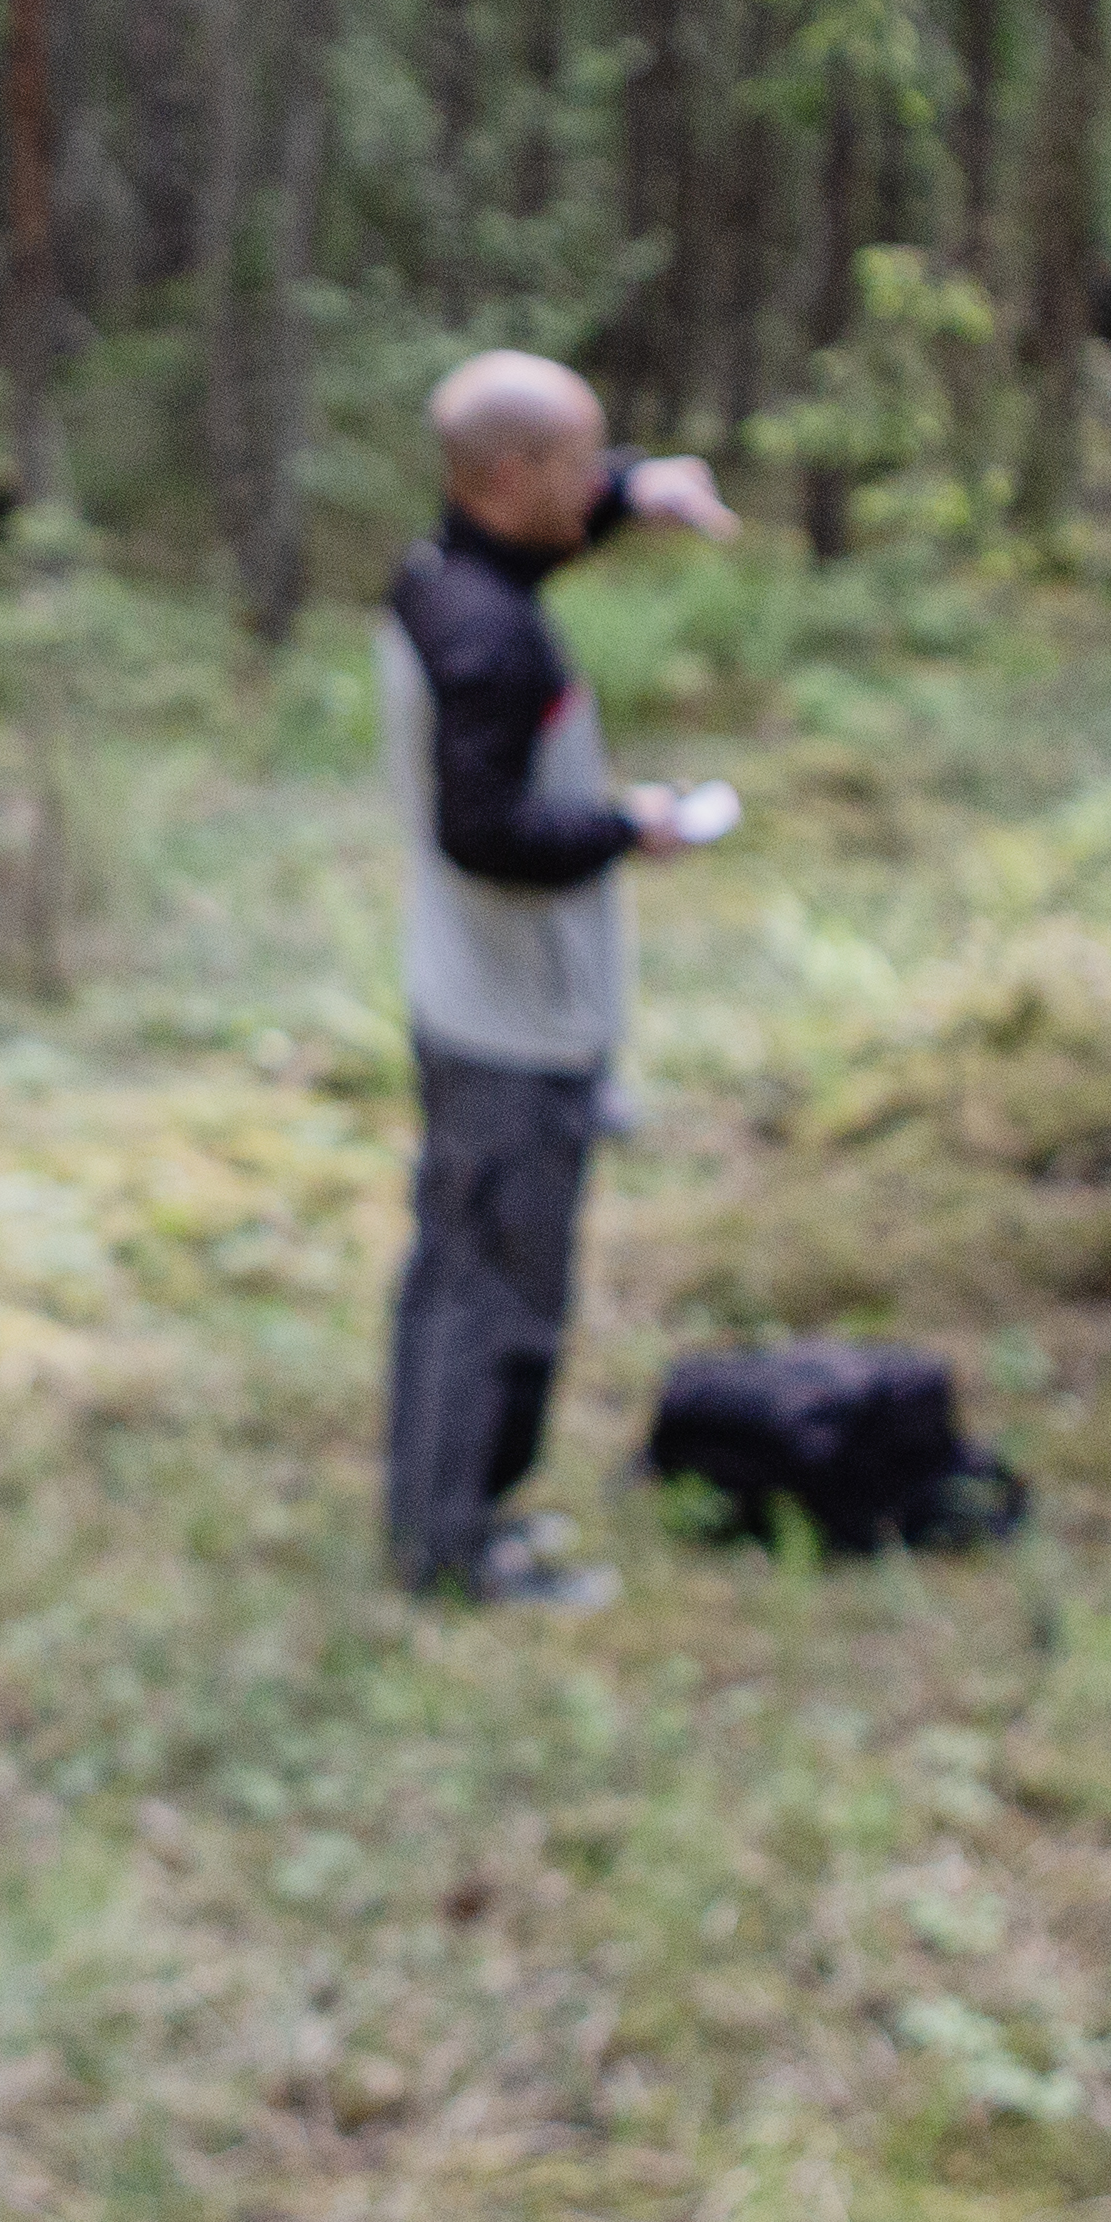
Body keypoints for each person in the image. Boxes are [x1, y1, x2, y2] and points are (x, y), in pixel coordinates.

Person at [375, 351, 740, 1607]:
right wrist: (631, 827)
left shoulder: (448, 573)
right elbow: (481, 833)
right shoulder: (488, 639)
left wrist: (642, 489)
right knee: (492, 1291)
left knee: (463, 1271)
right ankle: (451, 1548)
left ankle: (450, 1515)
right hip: (507, 1024)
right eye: (584, 463)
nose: (598, 485)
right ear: (514, 475)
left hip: (482, 1004)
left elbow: (541, 543)